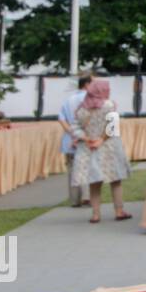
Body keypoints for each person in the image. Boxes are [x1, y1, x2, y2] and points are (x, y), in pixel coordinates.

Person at [70, 78, 132, 223]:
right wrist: (101, 140)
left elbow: (74, 127)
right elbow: (113, 127)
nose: (109, 91)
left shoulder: (82, 108)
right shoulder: (109, 105)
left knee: (94, 182)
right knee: (115, 180)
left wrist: (86, 139)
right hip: (109, 147)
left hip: (89, 148)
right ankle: (119, 211)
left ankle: (95, 214)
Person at [57, 75, 93, 207]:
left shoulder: (68, 100)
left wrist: (72, 133)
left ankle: (74, 199)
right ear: (87, 85)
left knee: (72, 169)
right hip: (85, 138)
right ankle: (87, 196)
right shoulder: (90, 100)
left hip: (69, 140)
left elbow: (61, 119)